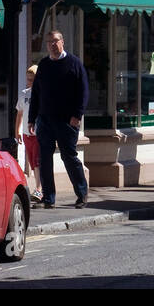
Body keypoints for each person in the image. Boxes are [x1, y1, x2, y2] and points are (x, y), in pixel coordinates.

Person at [28, 30, 90, 209]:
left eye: (55, 41)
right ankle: (49, 197)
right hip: (45, 120)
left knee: (69, 156)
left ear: (62, 42)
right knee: (45, 159)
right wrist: (32, 118)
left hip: (67, 121)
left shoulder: (74, 64)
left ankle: (81, 193)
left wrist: (77, 115)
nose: (52, 45)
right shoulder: (44, 65)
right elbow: (37, 94)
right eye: (49, 42)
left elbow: (83, 92)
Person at [14, 64, 42, 204]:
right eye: (28, 79)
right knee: (32, 161)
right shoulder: (24, 93)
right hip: (26, 133)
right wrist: (17, 131)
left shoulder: (42, 94)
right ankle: (37, 187)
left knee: (37, 161)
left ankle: (39, 189)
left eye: (32, 79)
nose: (29, 82)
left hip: (38, 133)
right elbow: (19, 113)